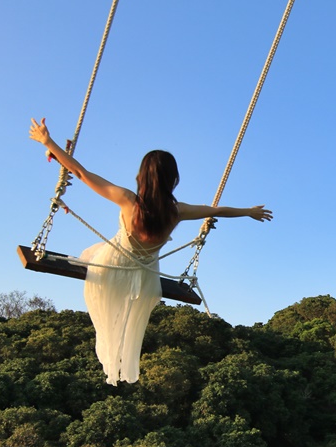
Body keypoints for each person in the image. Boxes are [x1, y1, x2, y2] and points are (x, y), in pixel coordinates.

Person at [28, 117, 272, 384]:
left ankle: (111, 364)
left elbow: (82, 173)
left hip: (113, 269)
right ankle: (121, 365)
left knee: (104, 302)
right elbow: (216, 210)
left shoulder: (128, 201)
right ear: (173, 179)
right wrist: (248, 212)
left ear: (141, 176)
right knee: (129, 326)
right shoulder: (177, 212)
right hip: (145, 279)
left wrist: (47, 141)